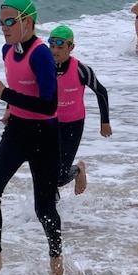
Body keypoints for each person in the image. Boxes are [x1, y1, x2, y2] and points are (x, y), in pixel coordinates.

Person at [0, 0, 62, 275]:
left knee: (44, 208)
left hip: (44, 135)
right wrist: (11, 107)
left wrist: (5, 95)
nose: (4, 27)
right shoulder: (8, 50)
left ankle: (56, 258)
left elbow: (49, 105)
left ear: (28, 22)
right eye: (1, 21)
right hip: (17, 130)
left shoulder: (41, 54)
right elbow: (23, 88)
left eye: (10, 21)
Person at [47, 25, 112, 196]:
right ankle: (51, 213)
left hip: (72, 125)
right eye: (52, 46)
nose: (55, 51)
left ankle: (78, 170)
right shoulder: (43, 67)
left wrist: (105, 122)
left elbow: (101, 92)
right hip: (48, 122)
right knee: (46, 172)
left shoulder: (81, 70)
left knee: (60, 177)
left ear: (71, 47)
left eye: (60, 47)